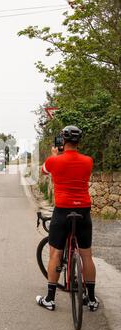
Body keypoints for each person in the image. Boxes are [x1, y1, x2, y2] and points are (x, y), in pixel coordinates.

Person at [36, 125, 99, 312]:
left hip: (63, 210)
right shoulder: (88, 161)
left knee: (56, 253)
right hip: (84, 210)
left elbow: (43, 171)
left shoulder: (54, 161)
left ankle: (49, 299)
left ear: (63, 141)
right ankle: (92, 299)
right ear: (79, 142)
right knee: (87, 255)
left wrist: (55, 156)